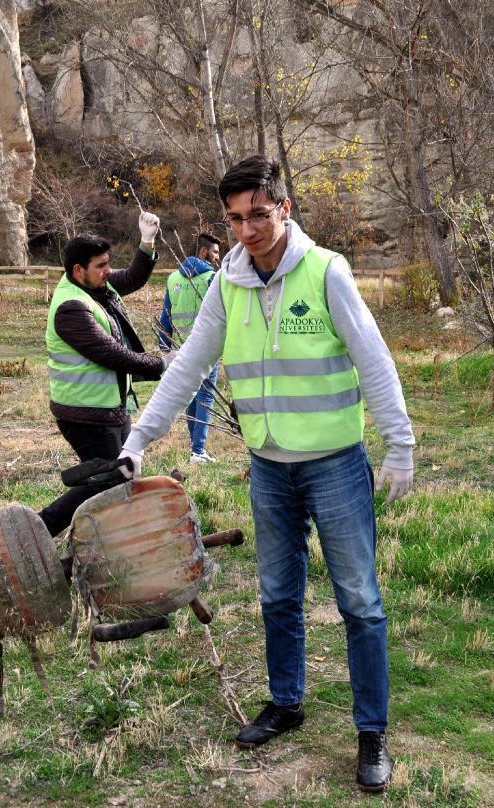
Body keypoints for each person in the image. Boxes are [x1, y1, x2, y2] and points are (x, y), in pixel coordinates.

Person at [119, 155, 414, 793]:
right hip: (269, 469)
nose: (247, 230)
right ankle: (286, 702)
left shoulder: (325, 271)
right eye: (234, 219)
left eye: (258, 214)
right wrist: (140, 438)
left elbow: (374, 358)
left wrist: (400, 444)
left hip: (334, 465)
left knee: (359, 601)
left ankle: (372, 732)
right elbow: (189, 367)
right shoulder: (228, 284)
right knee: (278, 595)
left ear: (283, 208)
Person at [38, 211, 174, 538]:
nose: (108, 271)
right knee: (113, 477)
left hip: (109, 408)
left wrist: (146, 241)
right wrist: (162, 363)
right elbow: (111, 354)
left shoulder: (94, 286)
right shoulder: (71, 307)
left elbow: (133, 278)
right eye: (101, 266)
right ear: (78, 270)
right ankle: (42, 527)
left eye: (107, 263)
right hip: (86, 414)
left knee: (121, 474)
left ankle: (105, 539)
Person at [159, 233, 221, 463]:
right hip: (206, 348)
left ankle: (194, 448)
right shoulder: (211, 279)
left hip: (182, 348)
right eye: (214, 252)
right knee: (205, 397)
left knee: (191, 396)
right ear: (203, 252)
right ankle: (198, 450)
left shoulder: (173, 278)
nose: (218, 257)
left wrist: (164, 346)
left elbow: (165, 315)